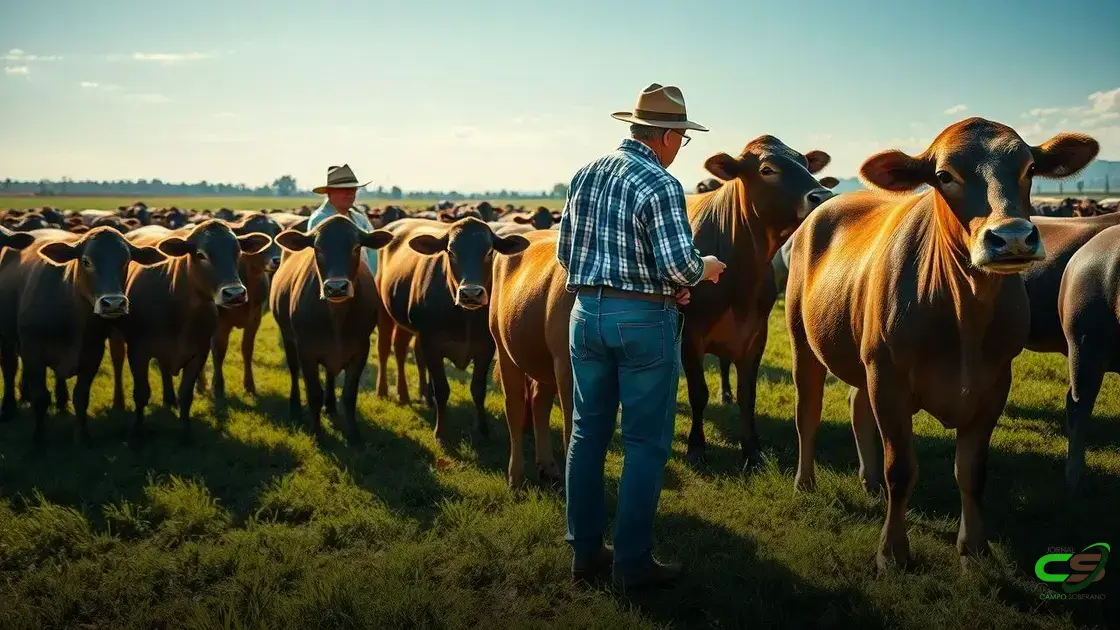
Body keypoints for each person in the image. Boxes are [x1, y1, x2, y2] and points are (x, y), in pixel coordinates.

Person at [556, 83, 726, 590]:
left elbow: (566, 253)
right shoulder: (660, 184)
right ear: (668, 137)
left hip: (585, 313)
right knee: (646, 443)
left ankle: (584, 553)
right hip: (643, 322)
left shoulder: (586, 173)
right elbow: (680, 264)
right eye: (683, 138)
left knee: (586, 434)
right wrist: (705, 269)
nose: (681, 148)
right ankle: (632, 564)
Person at [306, 164, 380, 387]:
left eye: (353, 189)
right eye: (343, 189)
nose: (350, 193)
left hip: (361, 289)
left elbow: (373, 256)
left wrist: (373, 282)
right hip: (334, 288)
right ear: (328, 192)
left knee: (358, 336)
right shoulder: (319, 221)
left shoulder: (360, 218)